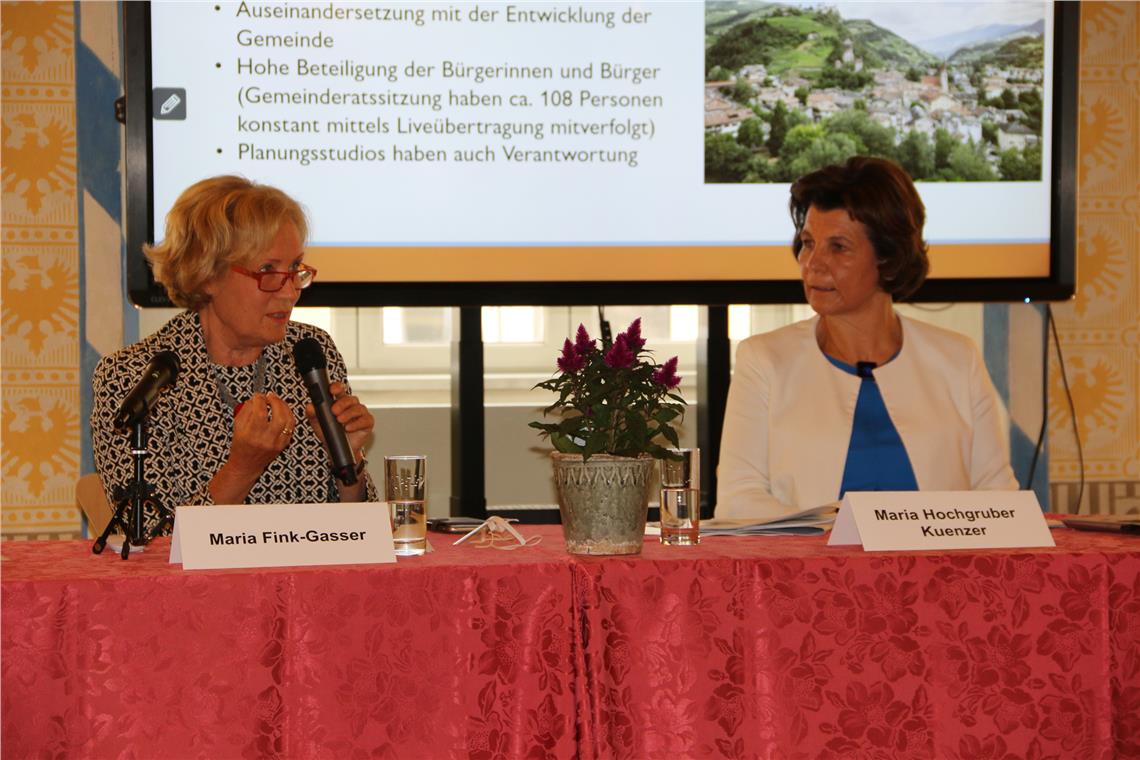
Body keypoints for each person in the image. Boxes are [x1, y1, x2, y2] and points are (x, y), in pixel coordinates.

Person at [717, 156, 1018, 519]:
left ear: (887, 258)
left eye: (838, 247)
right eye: (808, 243)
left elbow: (1001, 502)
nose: (812, 263)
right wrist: (844, 531)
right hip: (810, 558)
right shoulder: (763, 360)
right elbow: (738, 501)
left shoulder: (958, 359)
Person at [91, 175, 377, 533]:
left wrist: (347, 458)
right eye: (268, 270)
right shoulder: (135, 379)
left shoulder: (310, 352)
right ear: (206, 275)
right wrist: (242, 468)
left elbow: (361, 533)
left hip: (314, 569)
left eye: (294, 269)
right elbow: (151, 542)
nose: (290, 291)